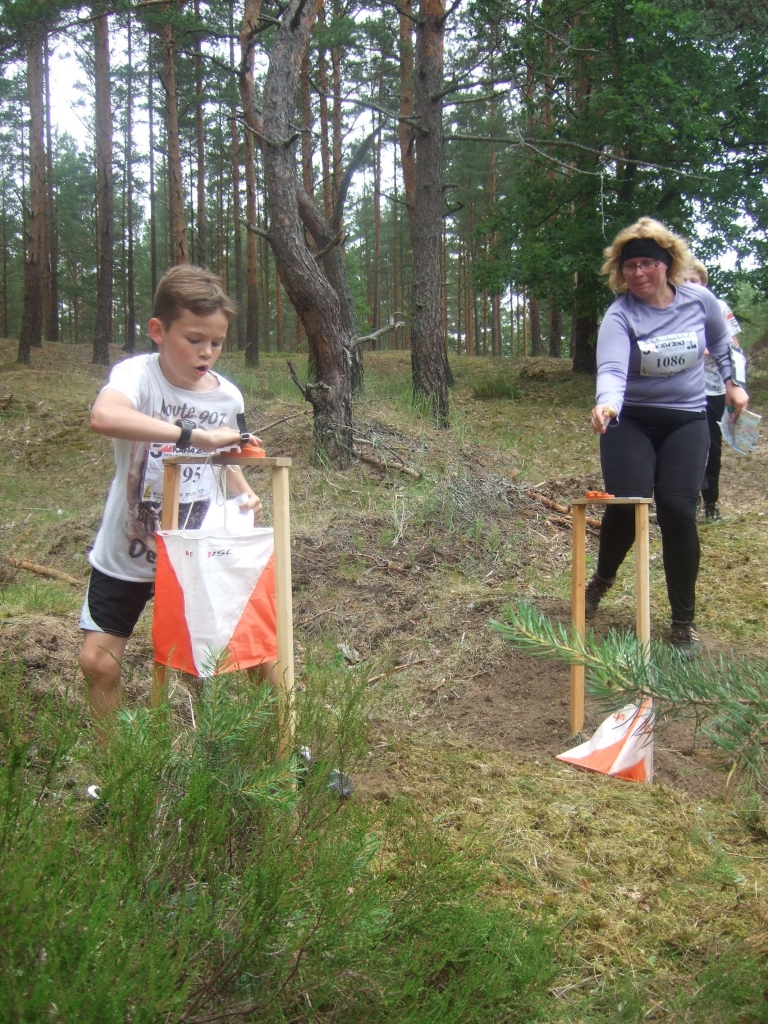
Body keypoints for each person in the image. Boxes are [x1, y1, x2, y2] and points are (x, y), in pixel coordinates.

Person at [79, 265, 268, 741]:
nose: (207, 352)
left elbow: (225, 456)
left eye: (217, 342)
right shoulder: (137, 375)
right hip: (128, 549)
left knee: (237, 654)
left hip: (198, 553)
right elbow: (104, 416)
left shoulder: (227, 395)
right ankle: (120, 767)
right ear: (159, 331)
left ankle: (266, 751)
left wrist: (242, 487)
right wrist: (193, 435)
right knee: (98, 662)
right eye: (194, 339)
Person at [587, 218, 749, 657]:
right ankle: (601, 580)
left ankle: (683, 623)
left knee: (678, 510)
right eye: (630, 266)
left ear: (667, 264)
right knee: (629, 504)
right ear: (620, 271)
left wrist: (732, 384)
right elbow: (612, 368)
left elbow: (722, 343)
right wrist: (607, 404)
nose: (638, 273)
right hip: (630, 422)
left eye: (647, 263)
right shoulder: (620, 314)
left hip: (686, 420)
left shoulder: (700, 301)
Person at [682, 258, 744, 524]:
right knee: (684, 445)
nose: (689, 285)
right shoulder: (672, 308)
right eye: (684, 281)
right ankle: (687, 501)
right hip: (684, 389)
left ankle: (711, 503)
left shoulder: (718, 307)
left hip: (714, 388)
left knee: (711, 445)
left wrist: (736, 383)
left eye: (694, 281)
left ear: (704, 283)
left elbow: (733, 346)